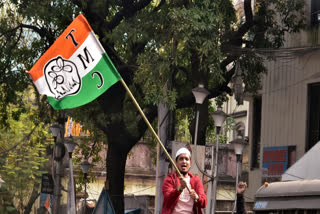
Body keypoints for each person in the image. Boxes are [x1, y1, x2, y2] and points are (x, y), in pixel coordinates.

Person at [161, 147, 207, 214]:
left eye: (186, 159)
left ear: (190, 164)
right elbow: (167, 200)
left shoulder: (196, 180)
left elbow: (204, 203)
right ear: (176, 163)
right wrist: (180, 188)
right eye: (181, 159)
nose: (184, 161)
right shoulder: (169, 179)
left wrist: (197, 197)